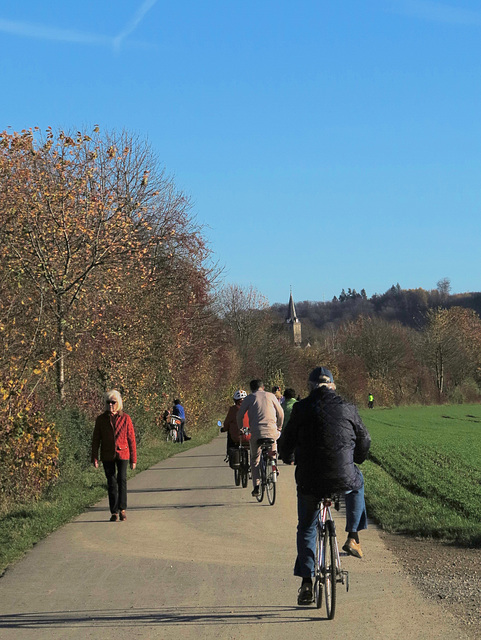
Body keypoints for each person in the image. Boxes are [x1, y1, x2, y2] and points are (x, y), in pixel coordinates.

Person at [278, 367, 371, 605]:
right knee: (356, 483)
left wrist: (288, 456)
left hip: (309, 479)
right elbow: (364, 440)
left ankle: (307, 582)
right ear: (332, 386)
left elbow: (286, 441)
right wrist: (356, 459)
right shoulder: (348, 408)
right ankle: (352, 535)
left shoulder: (300, 408)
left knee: (307, 527)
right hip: (343, 475)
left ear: (310, 388)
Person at [91, 389, 137, 522]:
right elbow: (96, 439)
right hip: (107, 454)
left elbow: (131, 439)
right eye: (108, 402)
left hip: (123, 453)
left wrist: (133, 459)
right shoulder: (101, 419)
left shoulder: (125, 418)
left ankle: (122, 509)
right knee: (111, 482)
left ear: (118, 403)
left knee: (121, 480)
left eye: (113, 402)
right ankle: (114, 511)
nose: (110, 405)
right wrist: (94, 457)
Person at [237, 379, 284, 497]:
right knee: (273, 447)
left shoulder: (249, 398)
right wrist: (279, 427)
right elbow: (281, 413)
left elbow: (240, 415)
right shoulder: (271, 396)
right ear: (263, 387)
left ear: (251, 388)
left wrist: (241, 428)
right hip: (272, 431)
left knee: (255, 459)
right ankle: (274, 465)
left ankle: (256, 486)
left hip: (257, 433)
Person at [220, 389, 251, 454]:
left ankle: (229, 453)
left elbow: (227, 422)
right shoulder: (252, 408)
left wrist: (224, 429)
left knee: (229, 433)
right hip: (252, 436)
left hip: (237, 437)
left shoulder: (233, 409)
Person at [281, 388, 297, 465]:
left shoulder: (282, 406)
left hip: (284, 429)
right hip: (297, 428)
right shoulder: (298, 404)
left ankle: (289, 459)